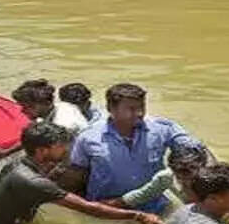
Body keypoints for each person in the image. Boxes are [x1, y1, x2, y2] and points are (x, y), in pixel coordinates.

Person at [0, 122, 164, 224]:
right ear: (42, 151)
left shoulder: (17, 163)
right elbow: (89, 208)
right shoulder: (34, 182)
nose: (66, 149)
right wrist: (138, 216)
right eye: (60, 146)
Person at [67, 83, 204, 213]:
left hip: (155, 207)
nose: (139, 113)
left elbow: (195, 149)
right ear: (111, 108)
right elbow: (77, 175)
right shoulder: (88, 137)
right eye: (131, 109)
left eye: (142, 107)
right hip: (109, 210)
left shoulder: (162, 129)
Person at [110, 143, 229, 224]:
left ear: (203, 168)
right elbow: (140, 195)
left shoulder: (219, 179)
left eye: (193, 177)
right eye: (182, 178)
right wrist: (102, 206)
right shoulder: (166, 177)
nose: (189, 183)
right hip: (198, 223)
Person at [0, 79, 90, 158]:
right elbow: (32, 135)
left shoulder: (63, 124)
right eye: (22, 106)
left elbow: (59, 158)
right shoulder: (54, 109)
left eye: (28, 107)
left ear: (46, 103)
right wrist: (5, 152)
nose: (23, 111)